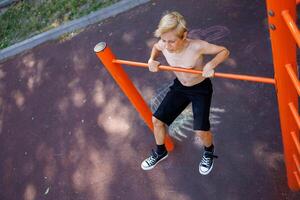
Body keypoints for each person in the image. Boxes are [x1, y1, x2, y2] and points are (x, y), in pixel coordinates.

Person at [141, 11, 230, 175]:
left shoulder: (197, 46)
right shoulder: (163, 43)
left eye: (172, 41)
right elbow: (156, 47)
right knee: (157, 120)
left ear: (184, 36)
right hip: (180, 87)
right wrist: (151, 60)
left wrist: (211, 64)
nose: (167, 45)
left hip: (200, 89)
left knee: (201, 131)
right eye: (164, 40)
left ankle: (209, 151)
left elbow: (224, 51)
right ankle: (161, 151)